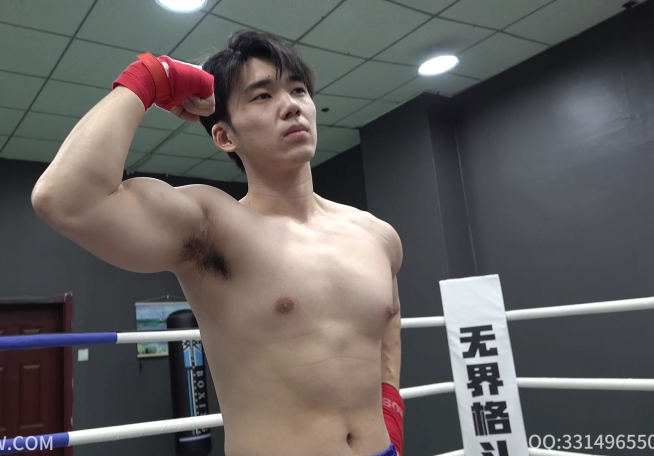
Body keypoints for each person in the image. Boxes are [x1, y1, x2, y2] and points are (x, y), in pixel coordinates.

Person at [31, 29, 404, 456]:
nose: (291, 106)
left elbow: (389, 322)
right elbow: (64, 200)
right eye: (262, 96)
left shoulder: (377, 235)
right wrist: (149, 78)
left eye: (298, 90)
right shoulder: (214, 226)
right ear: (226, 136)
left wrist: (391, 408)